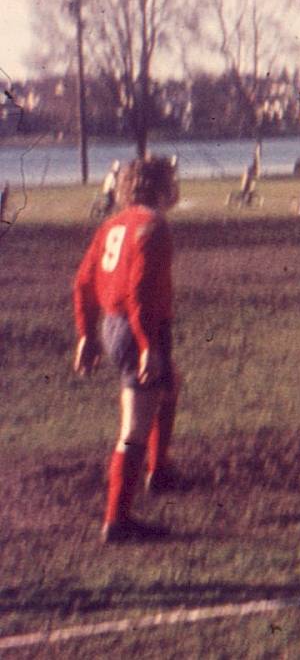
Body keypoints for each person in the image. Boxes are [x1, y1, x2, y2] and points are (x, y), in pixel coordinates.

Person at [71, 156, 182, 543]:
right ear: (162, 186)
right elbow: (140, 291)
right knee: (134, 426)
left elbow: (83, 282)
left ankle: (159, 471)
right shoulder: (154, 225)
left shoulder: (112, 224)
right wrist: (148, 343)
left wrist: (86, 335)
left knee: (170, 385)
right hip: (139, 328)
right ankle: (117, 520)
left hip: (113, 325)